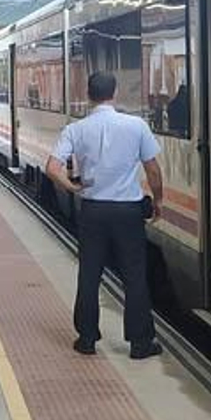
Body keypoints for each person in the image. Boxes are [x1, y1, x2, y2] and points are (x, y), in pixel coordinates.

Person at [45, 71, 163, 360]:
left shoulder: (76, 129)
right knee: (134, 275)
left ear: (88, 94)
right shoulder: (136, 126)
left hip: (93, 211)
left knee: (89, 273)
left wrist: (71, 186)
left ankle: (86, 338)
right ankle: (140, 343)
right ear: (115, 92)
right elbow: (153, 169)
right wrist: (158, 200)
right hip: (128, 211)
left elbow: (51, 167)